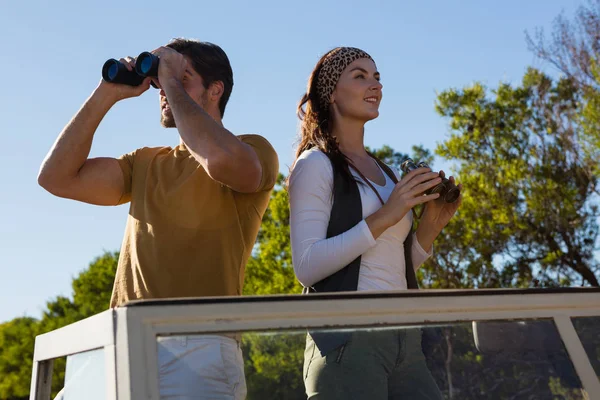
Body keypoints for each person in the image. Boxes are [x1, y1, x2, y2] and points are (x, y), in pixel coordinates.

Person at [38, 38, 279, 400]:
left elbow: (223, 162)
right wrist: (107, 92)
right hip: (122, 339)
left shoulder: (251, 149)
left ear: (216, 90)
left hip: (200, 346)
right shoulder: (146, 162)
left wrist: (167, 79)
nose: (164, 91)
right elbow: (55, 177)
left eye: (184, 78)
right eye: (162, 82)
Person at [288, 47, 461, 399]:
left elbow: (387, 266)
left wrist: (432, 224)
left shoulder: (387, 172)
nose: (375, 85)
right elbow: (306, 267)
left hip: (406, 342)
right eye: (360, 76)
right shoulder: (315, 165)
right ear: (332, 92)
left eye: (377, 77)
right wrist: (387, 215)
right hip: (348, 343)